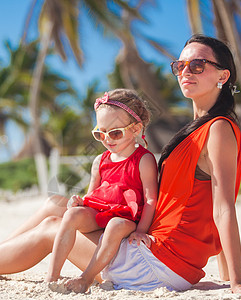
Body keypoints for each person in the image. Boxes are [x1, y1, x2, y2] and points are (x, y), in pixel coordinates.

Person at [0, 34, 241, 297]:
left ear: (222, 76)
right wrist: (228, 272)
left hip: (159, 264)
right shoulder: (196, 128)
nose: (185, 71)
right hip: (158, 251)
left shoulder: (218, 130)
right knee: (55, 208)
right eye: (180, 65)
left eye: (197, 65)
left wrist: (237, 281)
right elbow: (204, 207)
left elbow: (224, 207)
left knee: (51, 228)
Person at [45, 89, 158, 293]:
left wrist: (142, 230)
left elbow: (150, 199)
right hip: (100, 213)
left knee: (115, 224)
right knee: (71, 215)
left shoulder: (143, 159)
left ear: (136, 128)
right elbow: (92, 195)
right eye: (100, 133)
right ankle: (52, 275)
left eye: (115, 133)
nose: (107, 139)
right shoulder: (100, 161)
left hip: (127, 218)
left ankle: (86, 278)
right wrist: (80, 203)